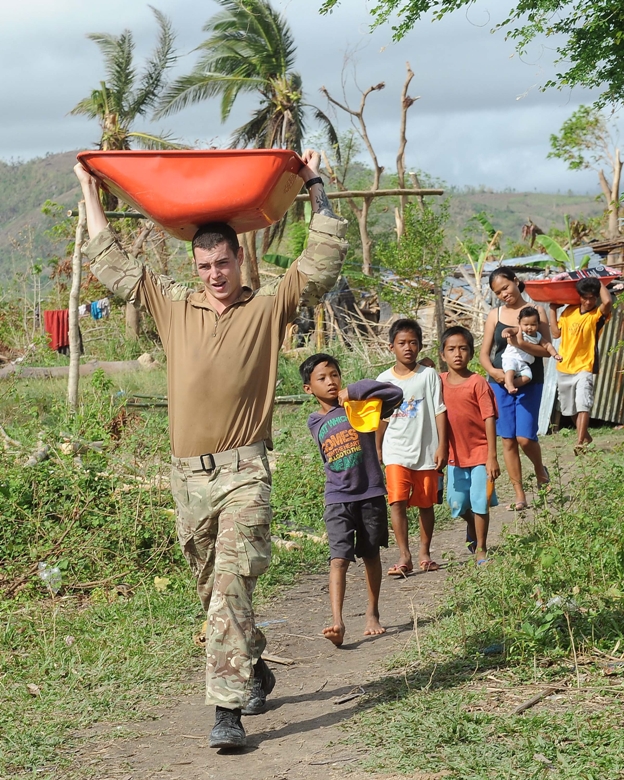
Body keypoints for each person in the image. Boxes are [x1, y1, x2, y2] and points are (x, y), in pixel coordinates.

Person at [73, 150, 348, 750]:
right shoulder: (174, 305)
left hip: (245, 471)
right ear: (194, 265)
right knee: (213, 593)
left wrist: (314, 183)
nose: (214, 274)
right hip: (185, 479)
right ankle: (253, 665)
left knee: (229, 587)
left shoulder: (268, 307)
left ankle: (226, 713)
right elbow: (114, 265)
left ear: (239, 258)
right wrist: (90, 191)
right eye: (204, 264)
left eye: (222, 262)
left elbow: (322, 259)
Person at [300, 353, 403, 647]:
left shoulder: (360, 406)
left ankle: (372, 613)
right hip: (337, 497)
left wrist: (354, 391)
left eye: (335, 375)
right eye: (322, 378)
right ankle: (337, 621)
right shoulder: (314, 420)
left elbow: (394, 393)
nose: (331, 382)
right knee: (338, 559)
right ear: (308, 389)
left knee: (371, 555)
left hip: (370, 492)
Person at [376, 319, 448, 575]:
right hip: (396, 450)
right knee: (396, 502)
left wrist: (442, 446)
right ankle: (404, 555)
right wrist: (378, 448)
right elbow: (381, 418)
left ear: (419, 346)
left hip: (426, 451)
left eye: (413, 343)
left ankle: (424, 552)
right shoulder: (383, 379)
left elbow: (440, 411)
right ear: (391, 347)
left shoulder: (428, 376)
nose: (407, 348)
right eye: (402, 343)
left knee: (425, 504)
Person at [480, 268, 553, 511]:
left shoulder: (536, 311)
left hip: (530, 382)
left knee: (524, 437)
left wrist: (521, 343)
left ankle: (540, 469)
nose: (503, 294)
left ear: (516, 282)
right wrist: (494, 372)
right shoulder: (494, 315)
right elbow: (484, 354)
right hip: (500, 383)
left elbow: (546, 350)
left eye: (506, 287)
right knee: (508, 440)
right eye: (498, 292)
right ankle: (519, 493)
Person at [440, 326, 500, 563]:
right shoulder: (439, 381)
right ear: (443, 354)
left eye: (463, 349)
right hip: (455, 455)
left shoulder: (477, 383)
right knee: (457, 503)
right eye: (451, 349)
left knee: (480, 501)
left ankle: (482, 548)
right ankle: (472, 527)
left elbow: (489, 418)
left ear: (472, 353)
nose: (457, 354)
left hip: (481, 453)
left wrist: (492, 456)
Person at [549, 277, 613, 455]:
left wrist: (598, 280)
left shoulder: (597, 315)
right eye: (585, 297)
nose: (588, 301)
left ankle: (579, 443)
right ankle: (586, 437)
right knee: (569, 409)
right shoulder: (569, 311)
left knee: (583, 402)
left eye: (592, 297)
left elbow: (607, 300)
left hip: (585, 365)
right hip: (564, 366)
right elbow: (555, 333)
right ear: (579, 297)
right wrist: (552, 310)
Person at [501, 306, 562, 394]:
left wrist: (555, 354)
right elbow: (509, 329)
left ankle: (510, 384)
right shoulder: (519, 331)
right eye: (526, 325)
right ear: (520, 323)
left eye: (533, 325)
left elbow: (548, 345)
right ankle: (510, 385)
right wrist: (505, 332)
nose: (529, 327)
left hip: (523, 363)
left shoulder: (538, 336)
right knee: (510, 370)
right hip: (511, 358)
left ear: (538, 324)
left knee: (528, 377)